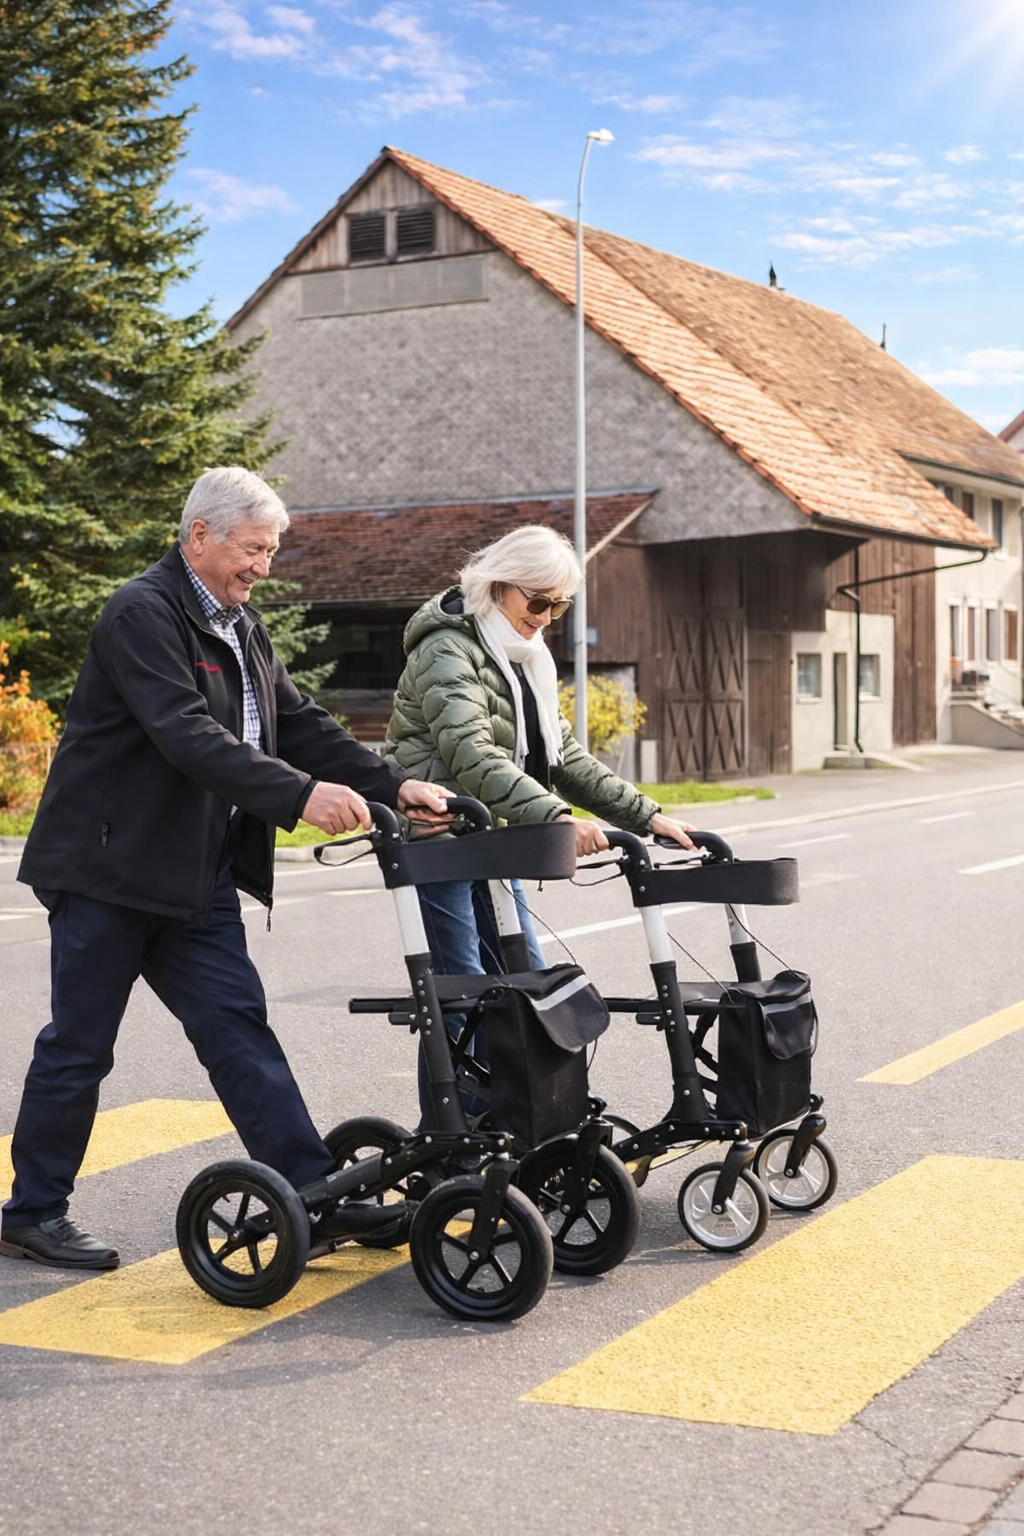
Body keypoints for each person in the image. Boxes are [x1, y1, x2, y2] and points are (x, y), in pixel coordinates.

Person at [0, 466, 451, 1271]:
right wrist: (302, 797)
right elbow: (187, 736)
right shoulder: (143, 612)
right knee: (80, 1046)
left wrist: (392, 783)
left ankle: (314, 1193)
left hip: (190, 876)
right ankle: (34, 1212)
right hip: (106, 871)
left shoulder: (243, 627)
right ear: (199, 535)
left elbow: (300, 723)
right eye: (253, 548)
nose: (263, 566)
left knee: (238, 1029)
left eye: (271, 550)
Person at [383, 522, 695, 1124]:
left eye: (561, 606)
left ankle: (520, 1117)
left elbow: (564, 757)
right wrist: (555, 816)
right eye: (538, 602)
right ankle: (453, 1132)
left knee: (523, 972)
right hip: (438, 840)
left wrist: (647, 816)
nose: (547, 617)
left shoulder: (526, 657)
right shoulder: (445, 648)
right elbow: (471, 753)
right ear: (499, 586)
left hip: (495, 841)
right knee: (462, 989)